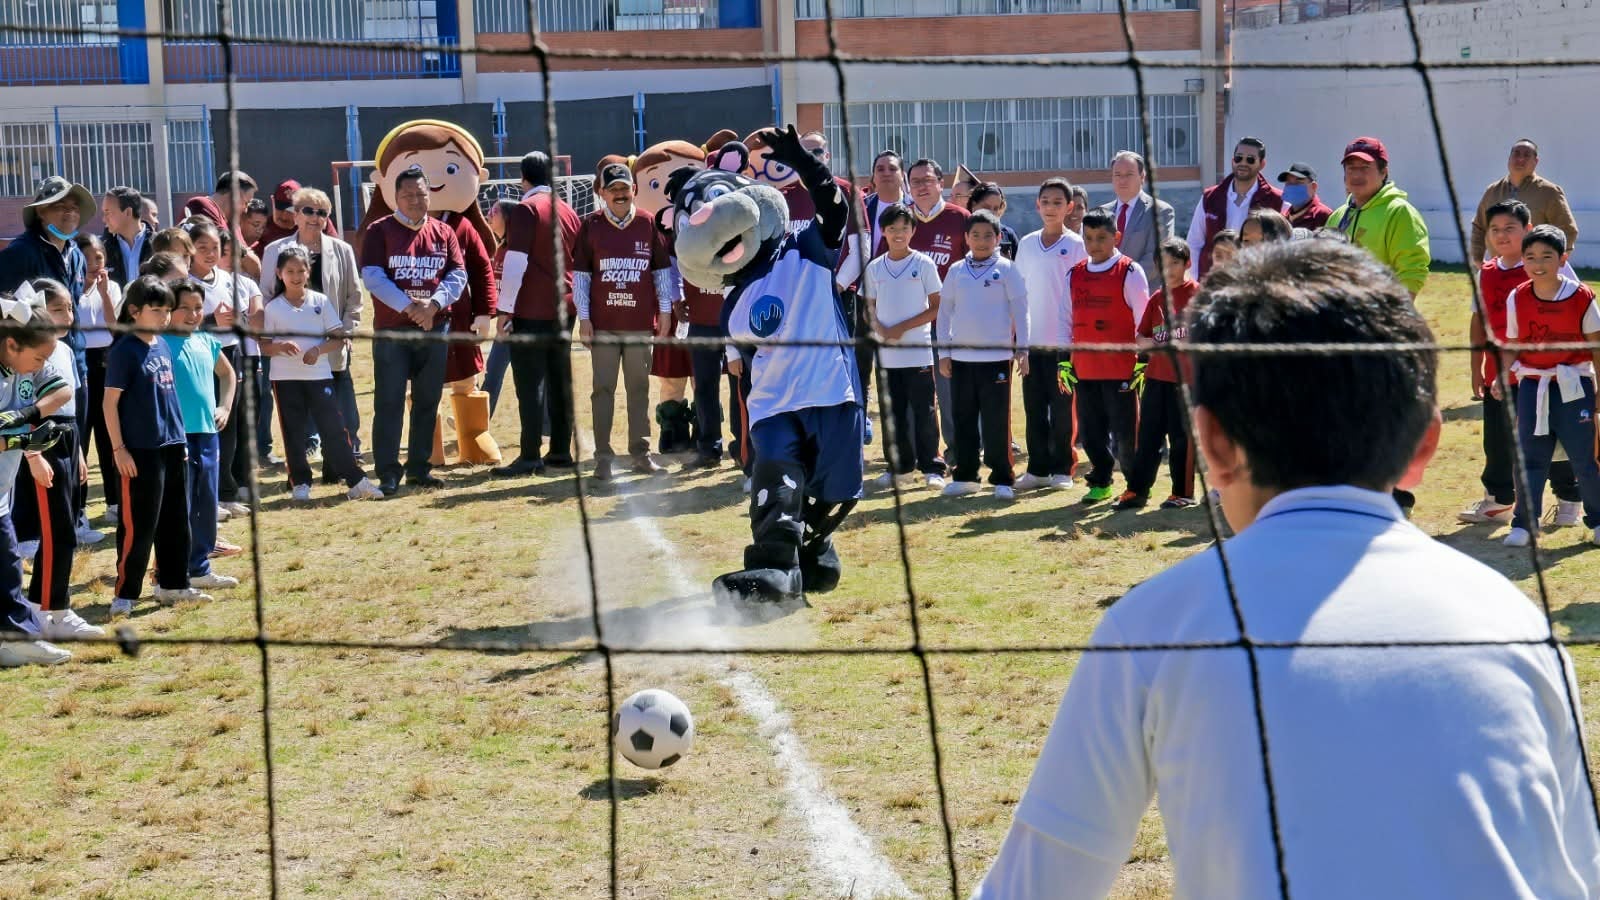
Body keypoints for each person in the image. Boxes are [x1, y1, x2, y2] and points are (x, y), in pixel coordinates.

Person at [975, 238, 1600, 900]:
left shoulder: (1153, 626)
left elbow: (1036, 884)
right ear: (1426, 446)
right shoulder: (1516, 623)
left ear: (1211, 444)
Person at [104, 277, 212, 616]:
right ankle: (126, 593)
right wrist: (119, 449)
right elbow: (109, 405)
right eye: (156, 310)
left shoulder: (162, 344)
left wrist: (179, 439)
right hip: (139, 451)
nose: (164, 317)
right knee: (140, 524)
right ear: (135, 311)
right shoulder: (124, 350)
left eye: (168, 310)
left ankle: (173, 585)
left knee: (176, 521)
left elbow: (170, 399)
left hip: (172, 446)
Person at [359, 169, 466, 495]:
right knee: (389, 402)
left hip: (435, 328)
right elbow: (373, 277)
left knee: (427, 401)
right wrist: (410, 307)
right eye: (409, 195)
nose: (416, 201)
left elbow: (458, 274)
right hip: (393, 332)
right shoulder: (380, 231)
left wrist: (432, 305)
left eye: (421, 194)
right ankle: (388, 472)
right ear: (396, 198)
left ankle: (420, 468)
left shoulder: (444, 232)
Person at [571, 162, 675, 480]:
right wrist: (585, 318)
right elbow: (582, 278)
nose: (619, 194)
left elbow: (660, 273)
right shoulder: (590, 226)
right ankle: (603, 456)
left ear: (634, 190)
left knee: (639, 389)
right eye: (612, 189)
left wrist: (666, 312)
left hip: (639, 324)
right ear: (601, 193)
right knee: (602, 389)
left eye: (624, 188)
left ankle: (641, 453)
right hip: (602, 324)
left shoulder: (647, 224)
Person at [1498, 226, 1600, 548]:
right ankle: (1525, 525)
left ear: (1562, 259)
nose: (1538, 264)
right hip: (1533, 386)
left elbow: (1597, 347)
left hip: (1574, 386)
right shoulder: (1518, 297)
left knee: (1584, 458)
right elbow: (1513, 344)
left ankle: (1597, 521)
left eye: (1546, 256)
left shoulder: (1581, 297)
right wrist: (1501, 376)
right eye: (1530, 257)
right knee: (1529, 457)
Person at [9, 280, 99, 639]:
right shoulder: (29, 354)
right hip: (42, 438)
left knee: (67, 530)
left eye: (68, 308)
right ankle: (50, 611)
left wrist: (76, 452)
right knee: (56, 530)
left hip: (66, 437)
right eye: (57, 308)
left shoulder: (58, 349)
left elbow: (70, 401)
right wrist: (33, 454)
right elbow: (24, 410)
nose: (66, 315)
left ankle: (50, 607)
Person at [260, 246, 383, 503]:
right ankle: (300, 483)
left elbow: (338, 339)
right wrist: (280, 347)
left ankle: (355, 481)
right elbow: (264, 345)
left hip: (319, 376)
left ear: (308, 272)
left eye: (301, 270)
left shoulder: (321, 301)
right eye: (290, 271)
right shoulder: (273, 308)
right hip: (285, 380)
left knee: (335, 429)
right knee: (293, 432)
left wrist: (318, 349)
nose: (296, 276)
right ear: (279, 273)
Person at [261, 187, 364, 482]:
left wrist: (344, 334)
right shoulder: (274, 251)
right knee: (295, 415)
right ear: (295, 214)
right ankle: (300, 476)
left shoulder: (341, 250)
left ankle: (338, 469)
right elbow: (265, 297)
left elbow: (354, 299)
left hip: (330, 347)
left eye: (322, 213)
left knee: (340, 413)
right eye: (308, 210)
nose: (315, 217)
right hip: (290, 352)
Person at [0, 287, 79, 666]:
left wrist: (26, 415)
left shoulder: (28, 357)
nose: (41, 364)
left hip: (1, 493)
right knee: (9, 563)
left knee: (8, 563)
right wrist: (23, 439)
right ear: (11, 345)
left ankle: (17, 639)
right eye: (38, 358)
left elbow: (61, 390)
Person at [492, 151, 583, 478]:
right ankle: (560, 452)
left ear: (523, 178)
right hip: (565, 305)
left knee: (529, 384)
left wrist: (505, 310)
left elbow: (515, 263)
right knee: (560, 381)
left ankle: (530, 454)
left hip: (532, 307)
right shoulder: (569, 210)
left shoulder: (528, 210)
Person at [936, 210, 1029, 501]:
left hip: (997, 360)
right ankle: (965, 476)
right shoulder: (955, 270)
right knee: (962, 418)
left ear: (999, 238)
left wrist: (1022, 349)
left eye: (988, 235)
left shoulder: (1008, 269)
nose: (981, 240)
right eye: (975, 235)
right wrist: (944, 352)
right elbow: (944, 312)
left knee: (996, 421)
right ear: (966, 238)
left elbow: (1021, 311)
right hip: (962, 360)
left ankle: (1002, 477)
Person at [1059, 208, 1150, 505]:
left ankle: (1136, 487)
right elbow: (1065, 321)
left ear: (1116, 237)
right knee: (1090, 431)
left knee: (1126, 434)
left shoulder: (1130, 271)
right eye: (1088, 238)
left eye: (1101, 238)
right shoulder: (1074, 274)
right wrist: (1064, 360)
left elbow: (1143, 321)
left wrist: (1142, 363)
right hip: (1085, 369)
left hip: (1121, 369)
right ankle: (1100, 480)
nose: (1094, 244)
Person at [162, 282, 241, 592]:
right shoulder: (159, 343)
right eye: (186, 308)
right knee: (179, 506)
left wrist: (224, 406)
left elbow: (228, 374)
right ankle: (170, 573)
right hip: (176, 438)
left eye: (199, 308)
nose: (194, 314)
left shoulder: (207, 340)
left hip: (208, 434)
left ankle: (200, 568)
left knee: (206, 504)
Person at [863, 204, 946, 490]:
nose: (899, 234)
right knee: (892, 414)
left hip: (918, 352)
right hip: (886, 356)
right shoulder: (874, 268)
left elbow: (936, 307)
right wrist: (880, 328)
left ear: (913, 230)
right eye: (892, 229)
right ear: (883, 232)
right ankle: (898, 468)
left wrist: (901, 328)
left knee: (924, 411)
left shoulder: (923, 264)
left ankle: (932, 467)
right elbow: (868, 308)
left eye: (904, 228)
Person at [1014, 178, 1087, 492]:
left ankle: (1063, 469)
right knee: (1033, 408)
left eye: (1058, 202)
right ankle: (1037, 469)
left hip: (1063, 343)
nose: (1051, 208)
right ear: (1037, 205)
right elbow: (1019, 294)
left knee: (1062, 407)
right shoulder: (1028, 243)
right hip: (1033, 342)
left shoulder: (1077, 245)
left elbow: (1081, 294)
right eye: (1046, 201)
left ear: (1069, 208)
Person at [1119, 238, 1200, 510]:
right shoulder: (1157, 298)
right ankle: (1137, 490)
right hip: (1156, 378)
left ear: (1187, 263)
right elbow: (1141, 335)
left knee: (1181, 438)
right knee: (1149, 436)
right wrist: (1146, 343)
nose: (1169, 270)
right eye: (1163, 265)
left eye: (1175, 263)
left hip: (1186, 381)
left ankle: (1183, 492)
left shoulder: (1199, 296)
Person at [182, 219, 254, 518]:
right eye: (202, 248)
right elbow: (183, 323)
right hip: (201, 357)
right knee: (208, 424)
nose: (210, 253)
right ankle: (207, 496)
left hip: (231, 353)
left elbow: (244, 318)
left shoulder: (226, 278)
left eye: (215, 247)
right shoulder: (184, 284)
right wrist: (212, 320)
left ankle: (227, 490)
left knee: (232, 423)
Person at [902, 158, 970, 458]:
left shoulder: (961, 219)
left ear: (941, 183)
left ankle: (959, 452)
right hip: (909, 324)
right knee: (914, 394)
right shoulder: (900, 221)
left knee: (951, 393)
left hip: (949, 324)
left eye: (927, 180)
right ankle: (920, 454)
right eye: (915, 181)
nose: (921, 186)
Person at [1325, 136, 1430, 299]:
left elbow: (1411, 271)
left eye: (1365, 167)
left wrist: (1394, 316)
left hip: (1378, 315)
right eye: (1351, 168)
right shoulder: (1337, 216)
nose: (1356, 175)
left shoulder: (1399, 212)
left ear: (1384, 172)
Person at [1186, 137, 1285, 280]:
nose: (1243, 163)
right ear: (1233, 161)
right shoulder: (1210, 197)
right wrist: (1194, 283)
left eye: (1250, 159)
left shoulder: (1277, 201)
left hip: (1255, 282)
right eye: (1239, 158)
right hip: (1213, 281)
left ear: (1262, 164)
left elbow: (1282, 247)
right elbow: (1194, 243)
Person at [1470, 139, 1578, 266]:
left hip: (1536, 271)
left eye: (1526, 155)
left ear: (1536, 162)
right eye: (1516, 154)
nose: (1520, 159)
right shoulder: (1493, 191)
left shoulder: (1549, 192)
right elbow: (1479, 226)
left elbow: (1567, 229)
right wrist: (1478, 259)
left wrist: (1553, 262)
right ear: (1509, 158)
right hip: (1499, 270)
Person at [75, 233, 120, 526]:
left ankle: (114, 502)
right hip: (80, 363)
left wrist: (104, 294)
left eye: (99, 257)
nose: (94, 264)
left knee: (109, 435)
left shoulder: (113, 288)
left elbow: (116, 328)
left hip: (107, 361)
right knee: (81, 436)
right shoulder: (69, 287)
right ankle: (78, 512)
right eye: (88, 258)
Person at [1100, 151, 1175, 289]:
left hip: (1143, 295)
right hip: (1105, 297)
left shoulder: (1160, 211)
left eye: (1129, 174)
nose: (1122, 180)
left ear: (1142, 177)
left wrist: (1119, 282)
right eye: (1117, 175)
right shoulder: (1101, 213)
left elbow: (1155, 258)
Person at [183, 170, 261, 280]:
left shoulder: (232, 221)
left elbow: (251, 262)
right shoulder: (201, 204)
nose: (246, 209)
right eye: (246, 202)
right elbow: (243, 257)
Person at [482, 198, 518, 417]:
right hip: (505, 324)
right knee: (493, 372)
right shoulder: (500, 249)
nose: (489, 216)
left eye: (494, 212)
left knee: (531, 378)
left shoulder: (518, 250)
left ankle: (546, 428)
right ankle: (477, 423)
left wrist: (511, 317)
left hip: (518, 325)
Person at [862, 150, 909, 262]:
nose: (886, 173)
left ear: (902, 175)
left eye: (892, 169)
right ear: (873, 177)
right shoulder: (861, 208)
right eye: (880, 169)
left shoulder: (915, 209)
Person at [101, 185, 153, 286]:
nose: (104, 219)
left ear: (128, 212)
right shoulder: (102, 249)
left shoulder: (159, 245)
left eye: (108, 213)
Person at [967, 183, 1019, 260]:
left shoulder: (1008, 234)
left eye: (995, 208)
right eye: (986, 207)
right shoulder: (961, 231)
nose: (991, 213)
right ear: (973, 205)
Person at [1278, 162, 1332, 230]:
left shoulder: (1323, 215)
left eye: (1298, 183)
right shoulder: (1283, 217)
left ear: (1313, 187)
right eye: (1288, 183)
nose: (1292, 187)